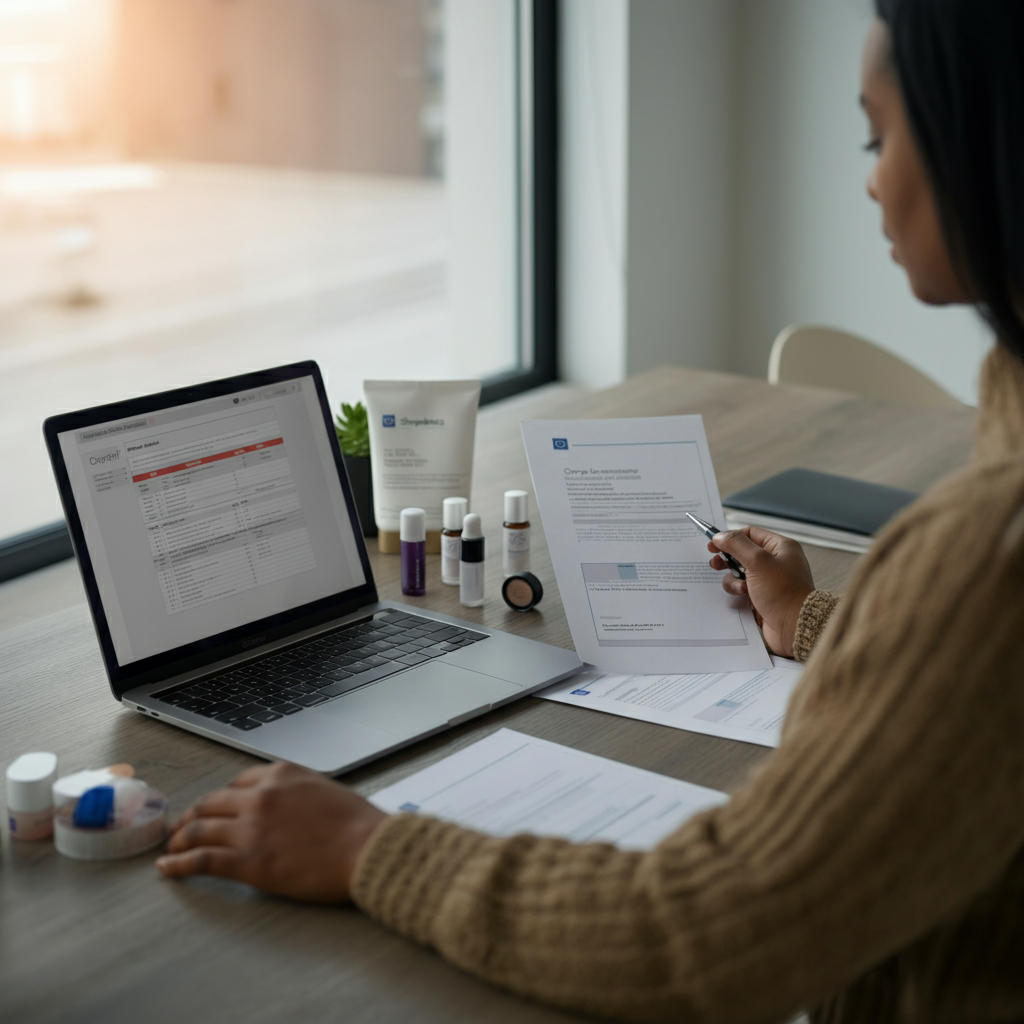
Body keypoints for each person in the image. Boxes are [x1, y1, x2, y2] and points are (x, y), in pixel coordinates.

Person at [156, 1, 1024, 1020]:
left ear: (985, 142)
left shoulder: (989, 543)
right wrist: (814, 623)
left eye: (880, 136)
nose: (870, 178)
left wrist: (369, 847)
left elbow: (707, 930)